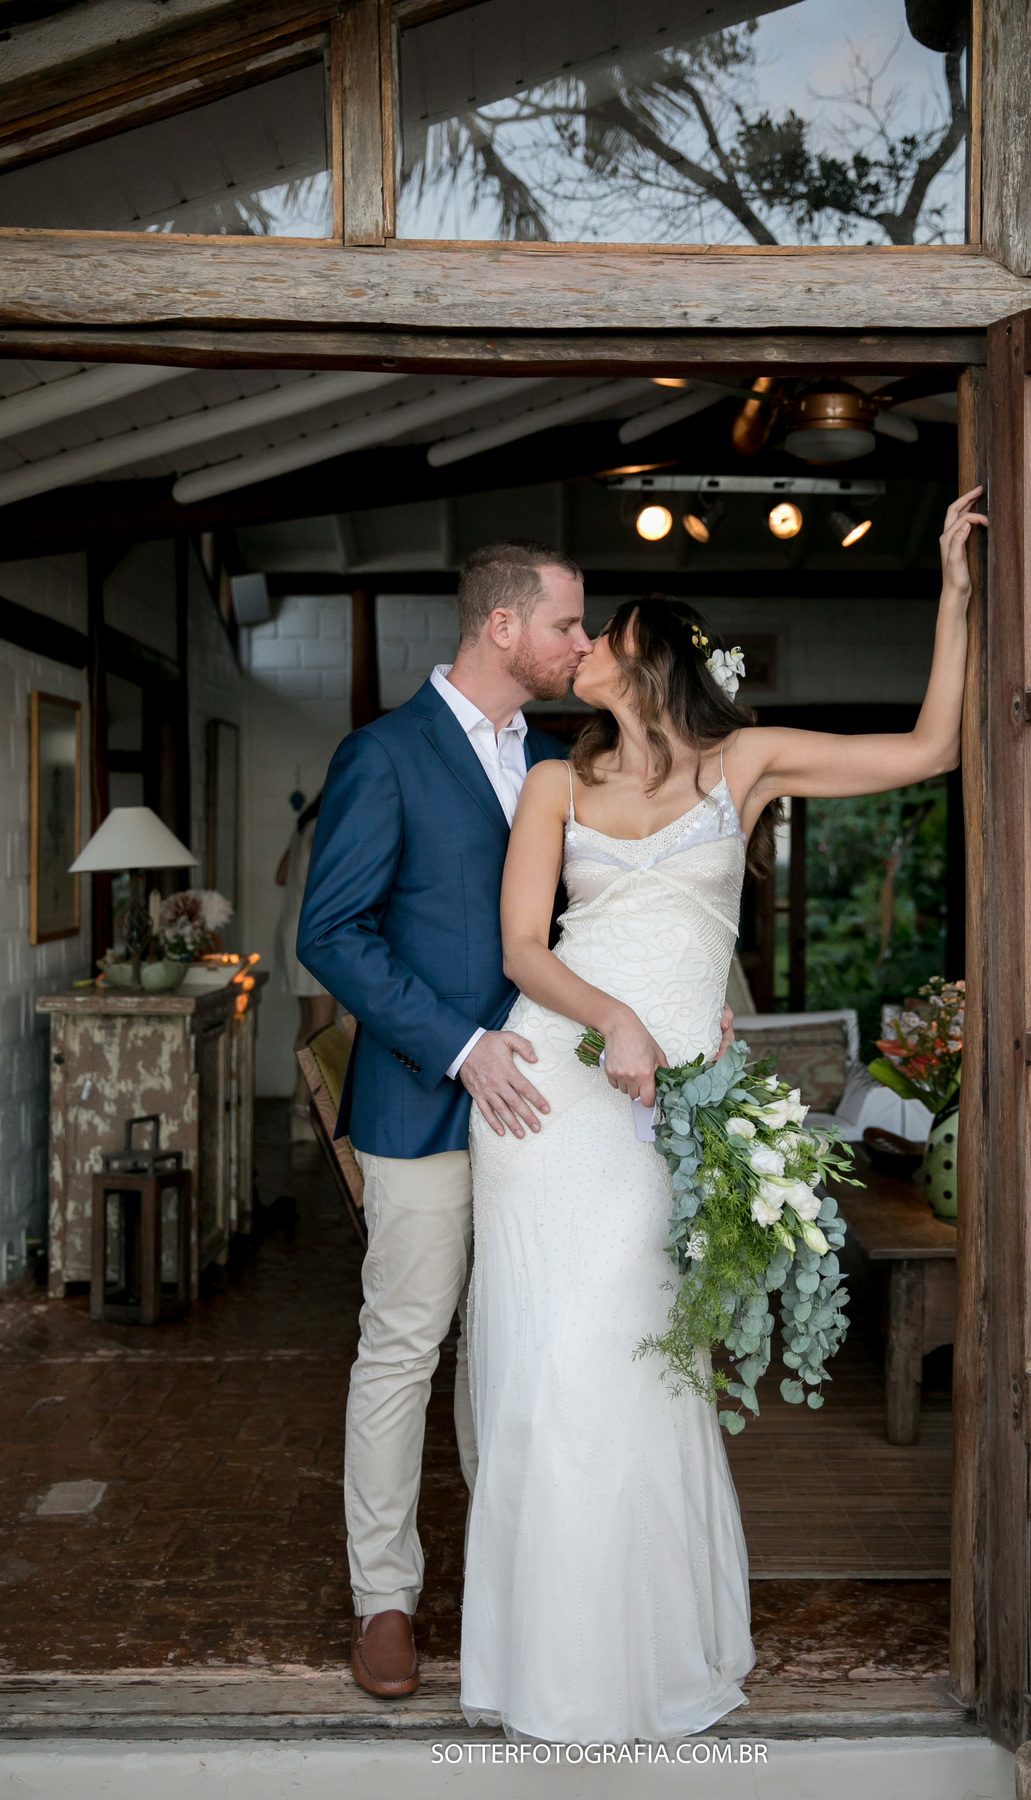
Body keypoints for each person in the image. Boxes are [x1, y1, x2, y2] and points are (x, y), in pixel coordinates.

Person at [459, 487, 987, 1744]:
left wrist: (956, 594)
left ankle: (650, 1658)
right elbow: (524, 951)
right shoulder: (549, 785)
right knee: (550, 1373)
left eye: (602, 632)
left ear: (652, 657)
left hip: (667, 1119)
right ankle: (551, 1671)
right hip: (553, 1100)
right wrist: (615, 1023)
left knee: (642, 1367)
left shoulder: (734, 768)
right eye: (571, 631)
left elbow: (931, 750)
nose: (578, 646)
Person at [296, 542, 591, 1699]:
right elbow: (332, 934)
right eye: (568, 623)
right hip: (421, 1102)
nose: (581, 643)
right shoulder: (382, 755)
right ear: (505, 628)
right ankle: (384, 1597)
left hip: (548, 1115)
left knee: (517, 1350)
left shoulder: (563, 760)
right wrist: (461, 1048)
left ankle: (513, 1588)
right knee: (406, 1347)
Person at [275, 791, 337, 1139]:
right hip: (314, 935)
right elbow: (328, 881)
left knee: (309, 1026)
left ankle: (300, 1107)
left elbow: (281, 876)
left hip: (291, 930)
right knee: (323, 1030)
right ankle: (310, 1111)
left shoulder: (302, 830)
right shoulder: (322, 830)